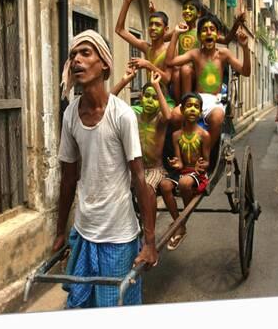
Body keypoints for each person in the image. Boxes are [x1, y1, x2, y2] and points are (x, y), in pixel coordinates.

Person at [54, 29, 158, 308]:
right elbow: (68, 178)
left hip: (118, 236)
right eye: (73, 55)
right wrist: (60, 232)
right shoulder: (70, 115)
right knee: (78, 307)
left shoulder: (122, 115)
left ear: (104, 65)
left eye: (85, 53)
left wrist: (149, 242)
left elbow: (139, 178)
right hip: (84, 231)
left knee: (113, 311)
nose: (77, 60)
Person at [164, 13, 251, 149]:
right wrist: (175, 34)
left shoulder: (224, 54)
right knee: (174, 115)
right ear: (199, 37)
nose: (208, 32)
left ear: (217, 35)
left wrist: (245, 48)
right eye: (204, 30)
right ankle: (181, 152)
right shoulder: (195, 54)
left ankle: (206, 155)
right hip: (196, 99)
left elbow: (246, 72)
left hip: (214, 101)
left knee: (217, 117)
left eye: (212, 29)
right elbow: (170, 61)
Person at [150, 0, 245, 100]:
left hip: (195, 69)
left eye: (191, 8)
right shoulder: (179, 30)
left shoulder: (202, 33)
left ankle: (186, 100)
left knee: (185, 70)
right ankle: (179, 103)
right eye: (185, 8)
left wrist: (236, 24)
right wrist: (154, 14)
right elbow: (159, 37)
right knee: (177, 72)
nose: (187, 11)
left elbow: (226, 40)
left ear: (198, 13)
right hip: (180, 66)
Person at [112, 67, 172, 201]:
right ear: (140, 97)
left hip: (154, 169)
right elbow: (108, 103)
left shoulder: (160, 120)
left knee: (147, 188)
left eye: (155, 97)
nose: (150, 100)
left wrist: (156, 85)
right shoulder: (133, 116)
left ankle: (149, 222)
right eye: (147, 96)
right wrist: (124, 80)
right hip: (134, 169)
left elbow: (168, 116)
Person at [160, 92, 210, 250]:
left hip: (196, 173)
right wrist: (176, 164)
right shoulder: (176, 135)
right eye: (189, 106)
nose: (193, 110)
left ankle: (181, 223)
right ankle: (179, 223)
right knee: (164, 185)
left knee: (184, 183)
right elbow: (180, 162)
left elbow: (207, 161)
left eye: (196, 107)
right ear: (182, 110)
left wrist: (201, 166)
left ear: (201, 111)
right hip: (183, 171)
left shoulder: (204, 135)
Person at [115, 0, 174, 108]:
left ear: (166, 29)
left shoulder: (169, 50)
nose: (153, 28)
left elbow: (167, 79)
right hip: (148, 97)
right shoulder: (146, 47)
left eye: (157, 25)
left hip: (164, 99)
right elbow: (119, 30)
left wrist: (147, 65)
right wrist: (128, 1)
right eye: (151, 24)